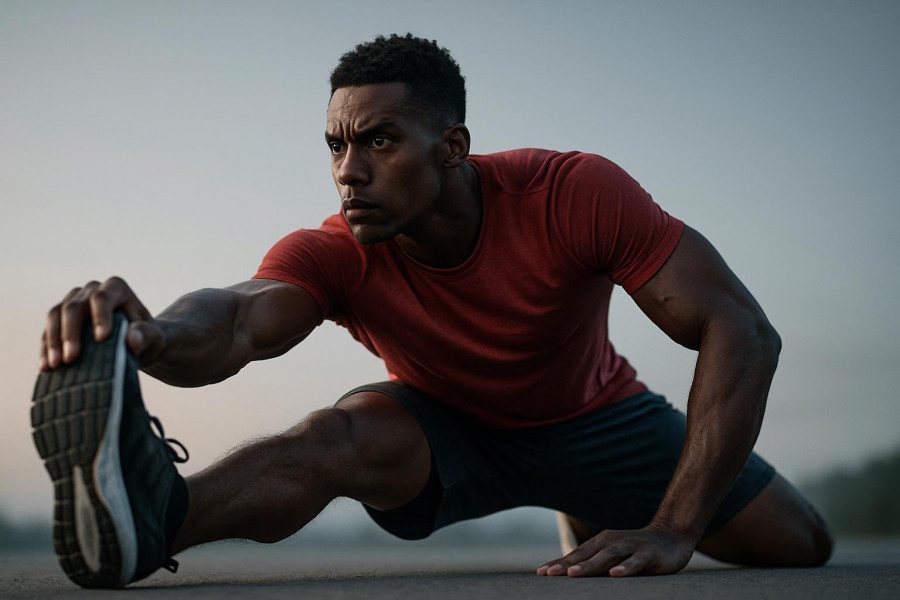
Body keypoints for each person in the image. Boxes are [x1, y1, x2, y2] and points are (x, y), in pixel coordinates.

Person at [32, 34, 832, 589]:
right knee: (332, 437)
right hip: (441, 429)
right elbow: (240, 319)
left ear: (451, 147)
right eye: (335, 146)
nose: (348, 172)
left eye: (378, 142)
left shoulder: (572, 193)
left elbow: (743, 330)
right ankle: (150, 524)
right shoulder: (340, 245)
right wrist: (144, 335)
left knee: (803, 544)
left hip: (598, 419)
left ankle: (586, 500)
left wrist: (674, 528)